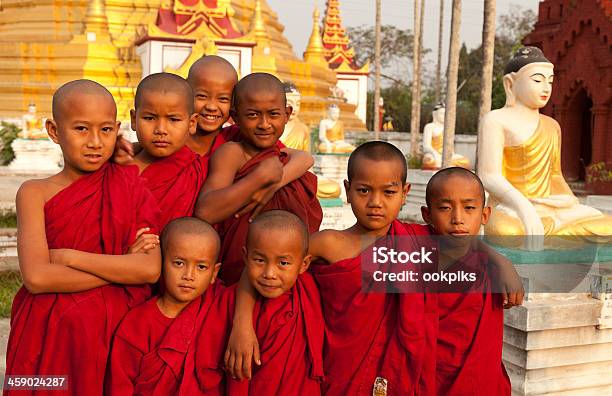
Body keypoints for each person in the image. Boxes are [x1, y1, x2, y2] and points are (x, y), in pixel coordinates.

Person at [226, 142, 523, 395]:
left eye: (389, 193)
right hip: (341, 367)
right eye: (365, 191)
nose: (375, 203)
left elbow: (460, 241)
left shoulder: (416, 239)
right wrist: (242, 325)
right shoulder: (329, 243)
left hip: (398, 373)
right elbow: (261, 267)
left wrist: (501, 261)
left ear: (405, 193)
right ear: (347, 189)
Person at [5, 80, 161, 395]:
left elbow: (149, 270)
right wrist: (121, 267)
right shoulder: (35, 193)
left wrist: (70, 258)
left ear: (117, 130)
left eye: (105, 130)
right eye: (80, 129)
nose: (94, 142)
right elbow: (37, 277)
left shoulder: (130, 187)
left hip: (114, 337)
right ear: (53, 130)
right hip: (47, 334)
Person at [381, 167, 512, 395]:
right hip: (425, 379)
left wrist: (500, 261)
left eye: (469, 208)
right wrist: (500, 260)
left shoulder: (489, 270)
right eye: (444, 208)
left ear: (485, 216)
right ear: (427, 214)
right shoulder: (413, 247)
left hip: (476, 383)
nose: (458, 219)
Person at [195, 72, 322, 285]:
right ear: (235, 117)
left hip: (287, 272)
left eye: (273, 114)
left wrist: (274, 183)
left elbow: (305, 158)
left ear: (287, 113)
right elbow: (206, 211)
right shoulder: (232, 153)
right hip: (241, 271)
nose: (264, 124)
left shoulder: (283, 155)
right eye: (253, 115)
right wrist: (257, 179)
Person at [478, 46, 612, 245]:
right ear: (510, 83)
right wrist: (524, 208)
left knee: (607, 226)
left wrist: (569, 200)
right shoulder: (495, 120)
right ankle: (560, 236)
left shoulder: (552, 125)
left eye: (550, 81)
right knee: (507, 232)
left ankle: (554, 232)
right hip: (511, 207)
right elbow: (489, 176)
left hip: (547, 206)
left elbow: (555, 175)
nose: (546, 87)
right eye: (538, 80)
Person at [195, 210, 324, 396]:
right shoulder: (228, 300)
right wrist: (241, 324)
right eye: (259, 260)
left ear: (304, 265)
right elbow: (207, 363)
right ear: (246, 257)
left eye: (284, 263)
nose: (269, 273)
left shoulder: (310, 289)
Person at [106, 217, 222, 396]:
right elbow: (120, 386)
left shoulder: (217, 307)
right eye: (179, 263)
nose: (189, 275)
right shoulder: (137, 324)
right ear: (160, 263)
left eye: (201, 267)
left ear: (214, 273)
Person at [129, 72, 206, 229]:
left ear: (192, 123)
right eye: (149, 118)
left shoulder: (197, 170)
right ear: (133, 120)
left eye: (173, 119)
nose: (161, 130)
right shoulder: (116, 168)